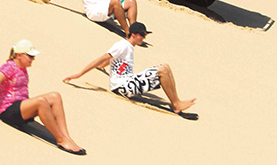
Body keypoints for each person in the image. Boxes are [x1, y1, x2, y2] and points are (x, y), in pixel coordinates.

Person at [0, 40, 86, 155]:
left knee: (55, 96)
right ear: (19, 55)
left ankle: (66, 137)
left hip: (21, 107)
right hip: (8, 111)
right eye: (30, 56)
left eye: (33, 56)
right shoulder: (8, 67)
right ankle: (60, 139)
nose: (33, 59)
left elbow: (10, 85)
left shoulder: (22, 67)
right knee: (41, 102)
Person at [63, 22, 196, 115]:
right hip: (122, 87)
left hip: (126, 84)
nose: (144, 38)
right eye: (142, 35)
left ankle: (176, 101)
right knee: (162, 69)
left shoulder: (128, 48)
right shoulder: (123, 45)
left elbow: (109, 61)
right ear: (133, 34)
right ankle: (176, 103)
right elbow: (102, 57)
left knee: (165, 67)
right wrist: (79, 74)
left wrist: (102, 67)